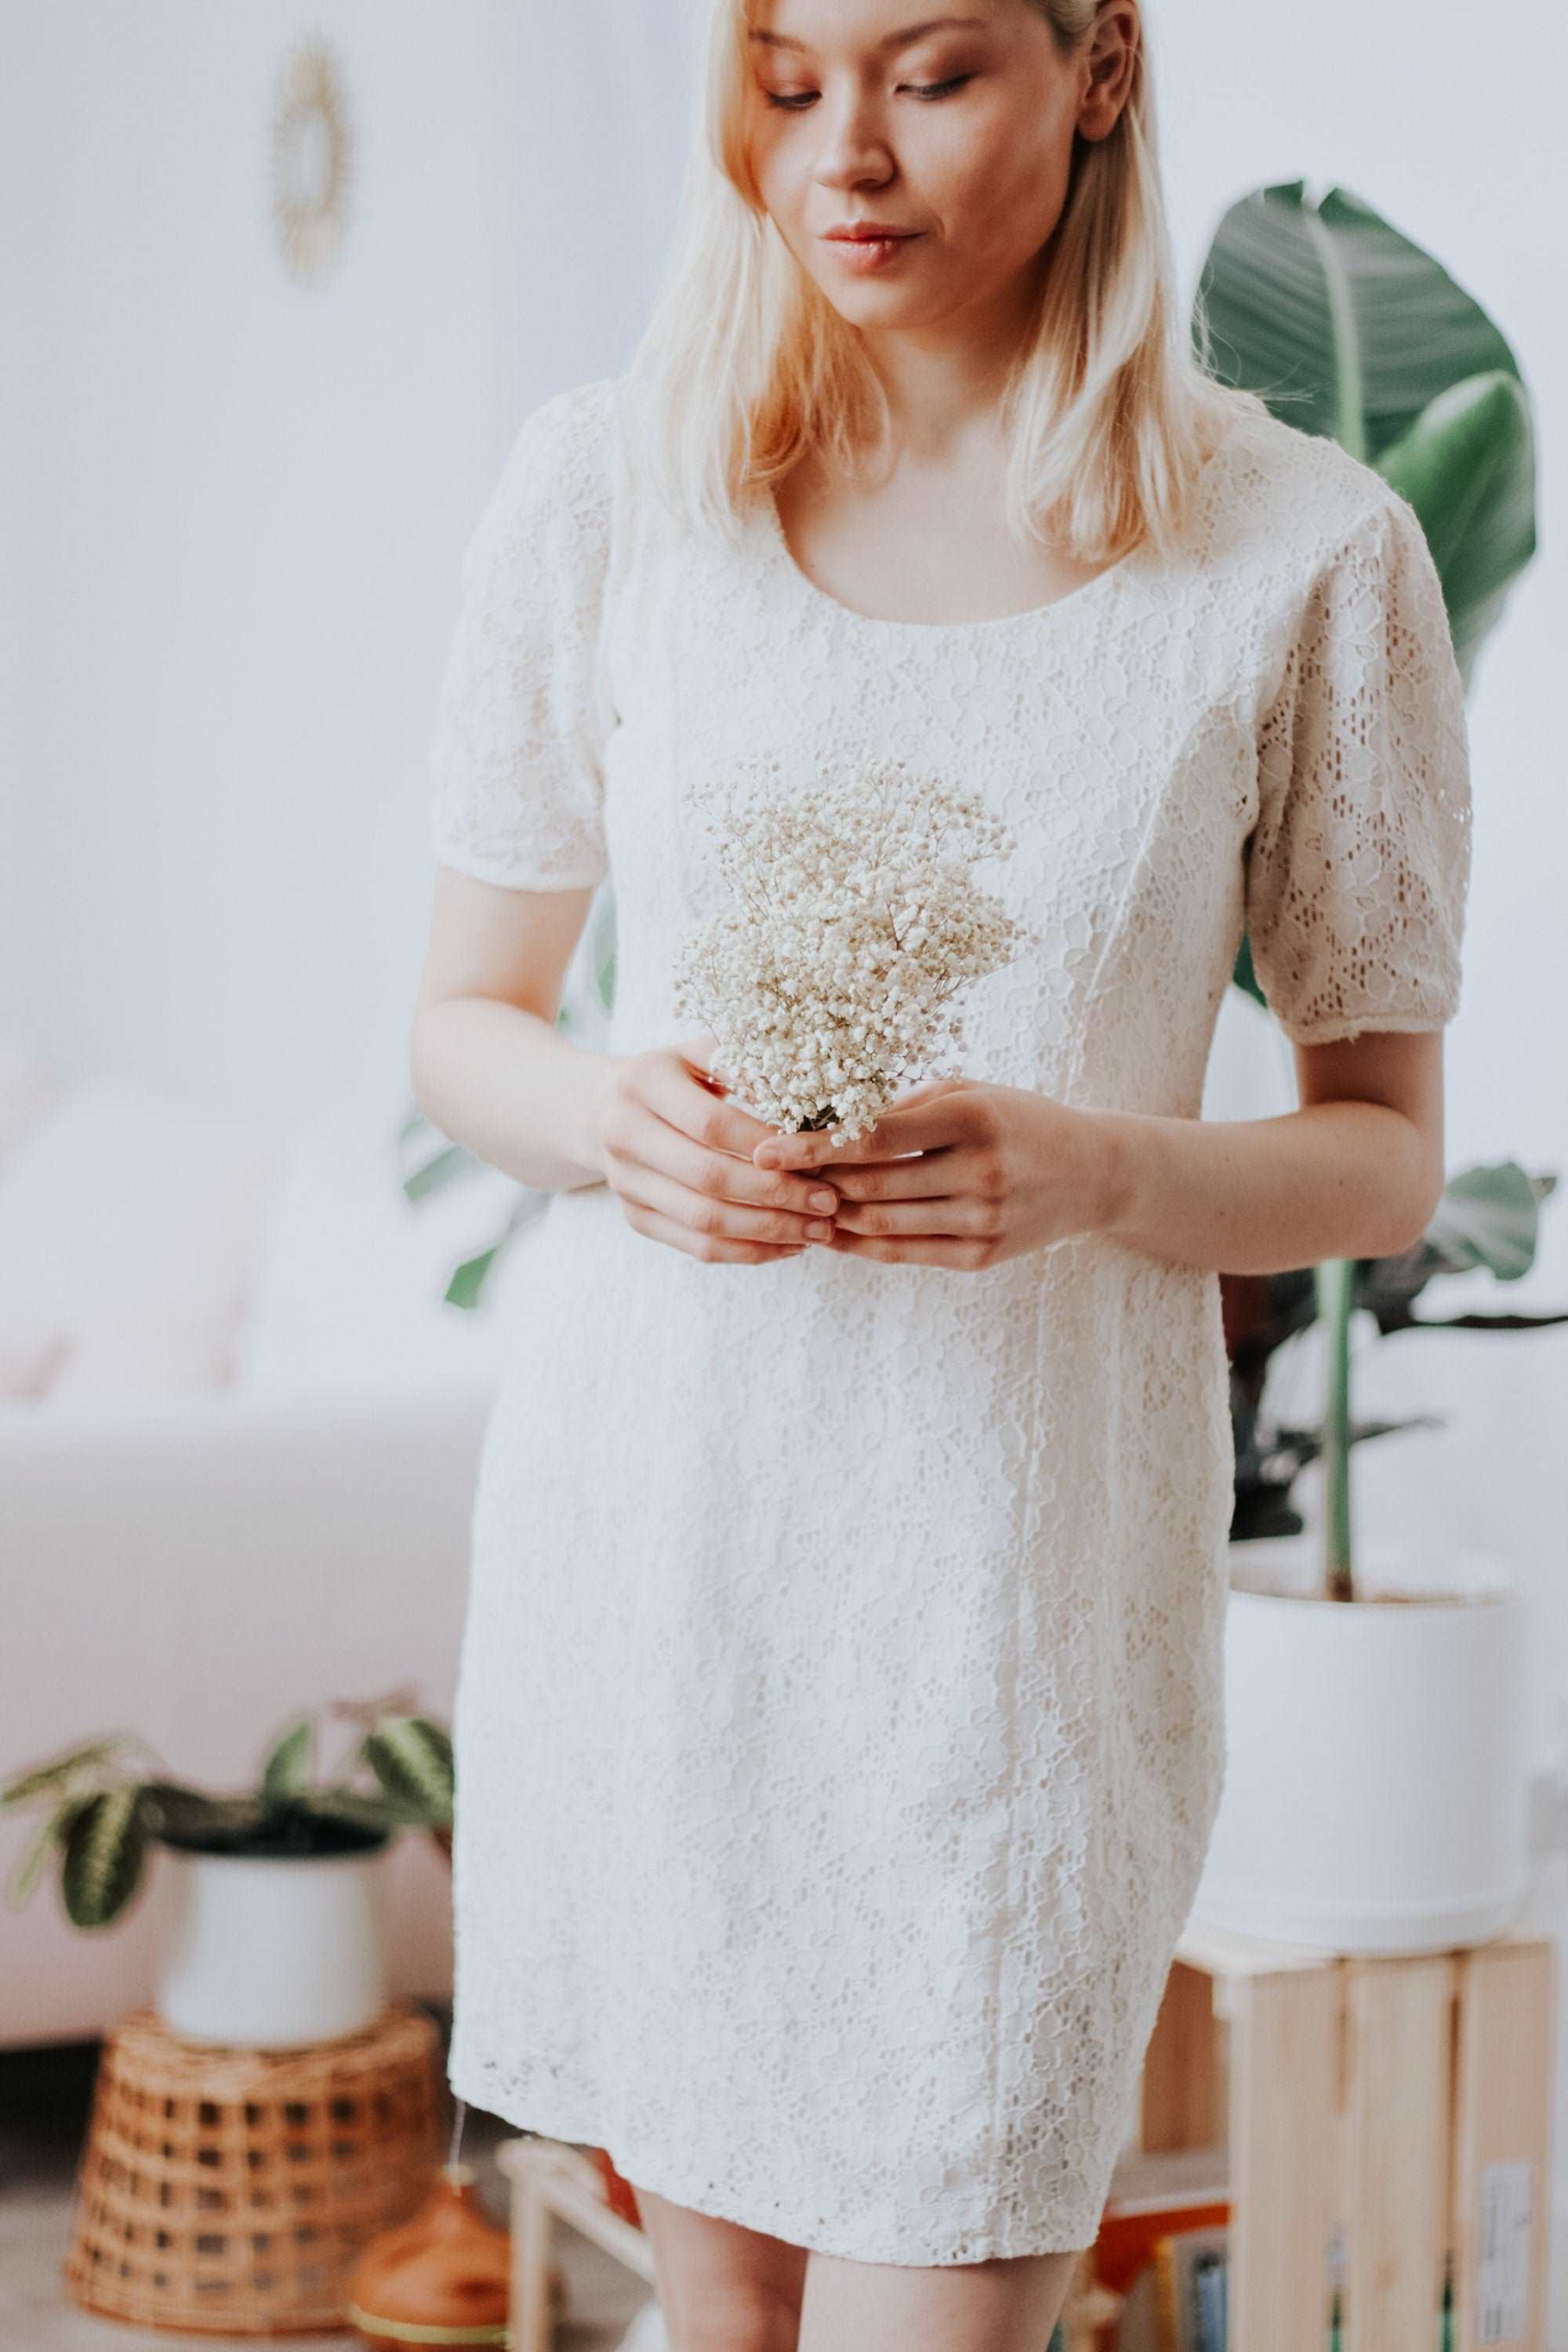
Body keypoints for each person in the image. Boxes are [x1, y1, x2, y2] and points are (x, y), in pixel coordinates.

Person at [408, 1, 1472, 2346]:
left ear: (1101, 68)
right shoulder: (615, 490)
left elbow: (1386, 1159)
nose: (844, 157)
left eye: (933, 72)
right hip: (664, 1567)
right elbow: (462, 1025)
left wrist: (1100, 1167)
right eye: (787, 80)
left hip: (1013, 1627)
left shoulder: (1305, 556)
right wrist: (613, 1123)